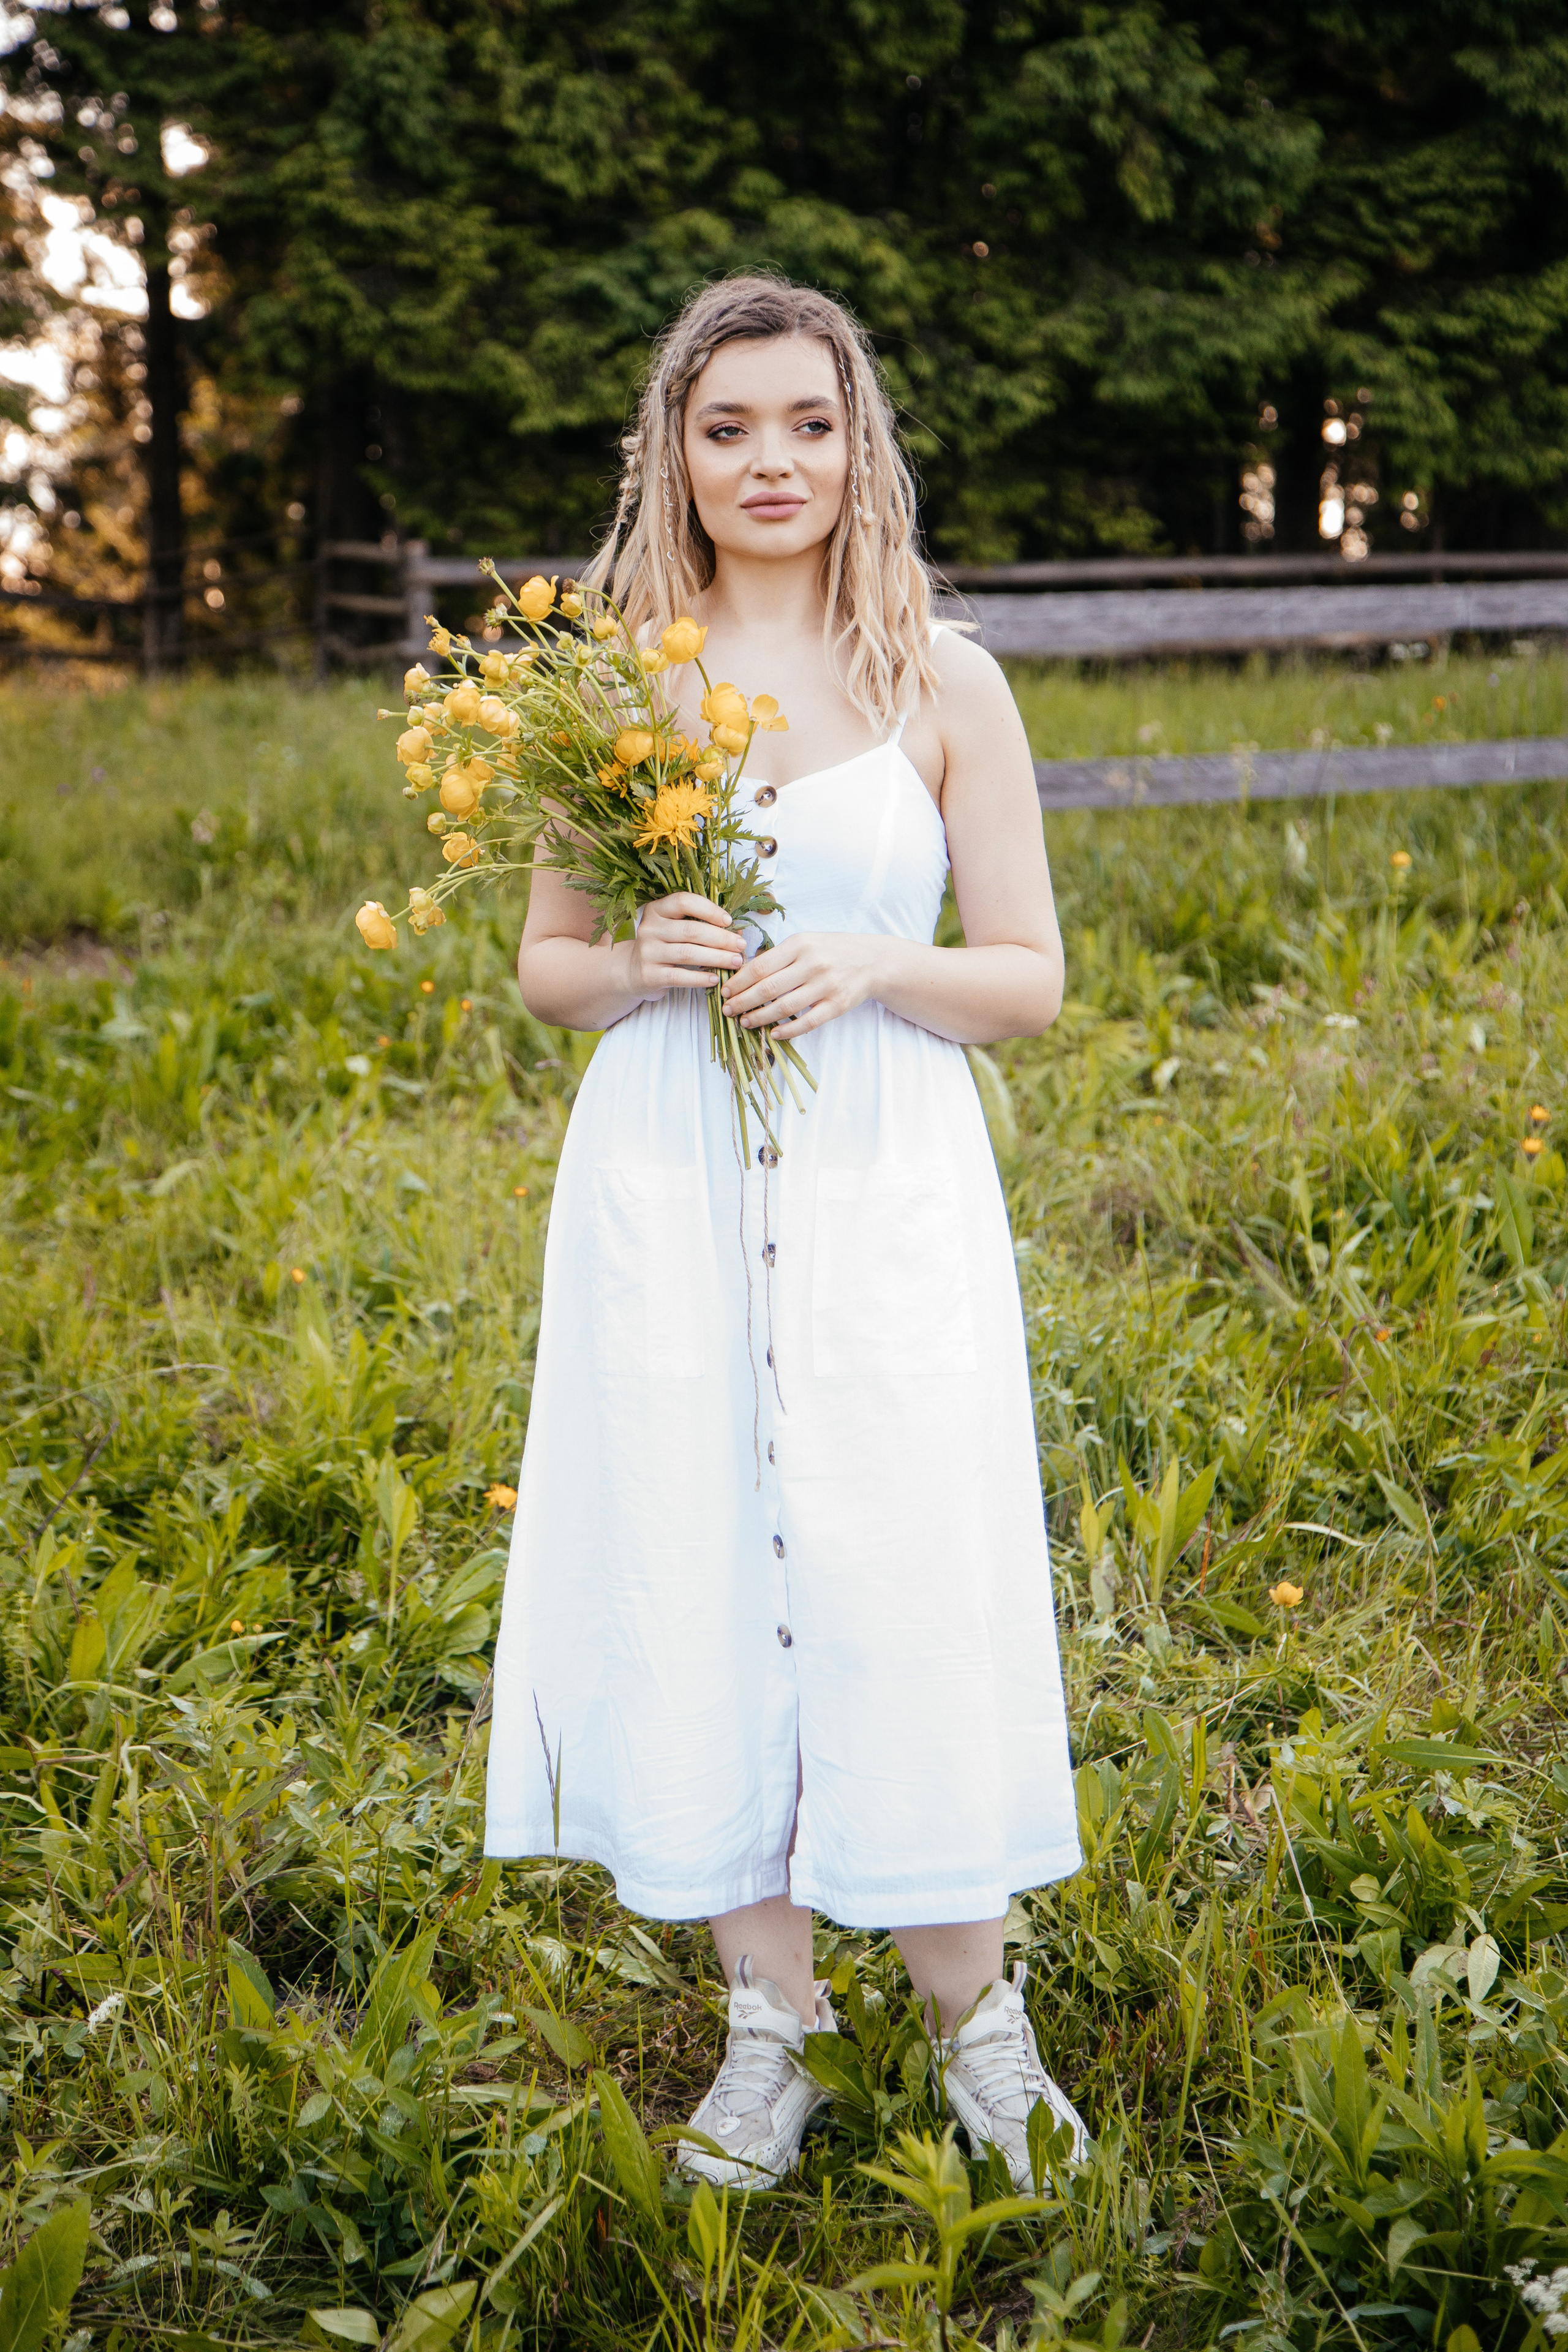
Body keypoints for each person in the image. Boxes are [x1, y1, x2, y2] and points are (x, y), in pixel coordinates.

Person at [483, 273, 1085, 2191]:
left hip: (885, 1179)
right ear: (674, 449)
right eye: (729, 426)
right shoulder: (611, 684)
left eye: (808, 425)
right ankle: (775, 2029)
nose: (772, 461)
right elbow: (549, 969)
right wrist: (632, 959)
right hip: (668, 1174)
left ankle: (979, 2029)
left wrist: (878, 961)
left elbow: (1030, 977)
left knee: (903, 1558)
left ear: (857, 444)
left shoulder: (944, 680)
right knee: (695, 1554)